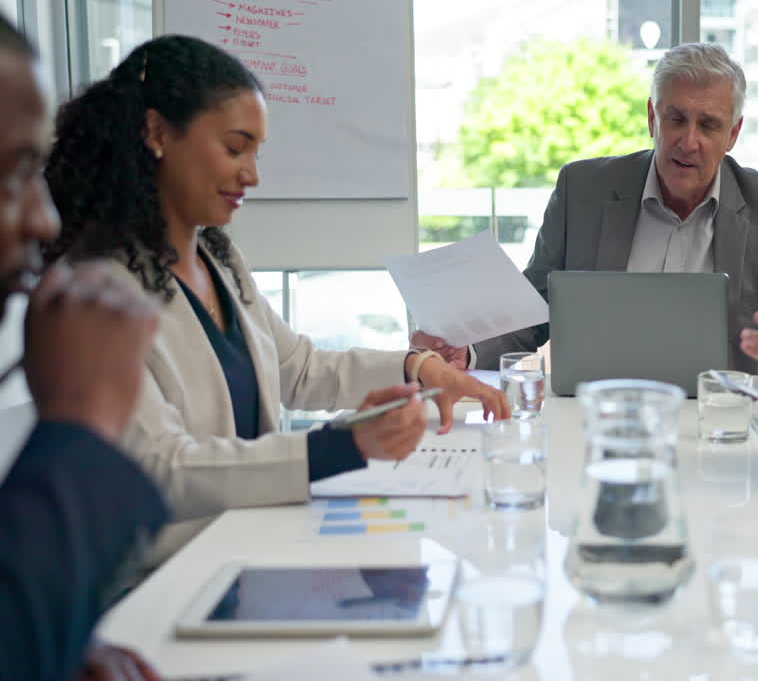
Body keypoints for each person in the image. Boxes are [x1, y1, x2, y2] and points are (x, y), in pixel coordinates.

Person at [42, 35, 510, 563]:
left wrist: (417, 369)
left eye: (256, 153)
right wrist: (340, 447)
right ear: (157, 133)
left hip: (248, 548)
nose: (253, 175)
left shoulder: (218, 262)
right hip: (167, 577)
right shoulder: (98, 292)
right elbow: (162, 468)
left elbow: (299, 368)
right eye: (235, 148)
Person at [418, 42, 758, 391]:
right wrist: (467, 351)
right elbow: (534, 309)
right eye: (676, 119)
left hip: (713, 420)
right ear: (651, 118)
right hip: (594, 412)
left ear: (732, 134)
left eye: (709, 125)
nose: (688, 141)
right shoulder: (582, 190)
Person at [0, 15, 168, 681]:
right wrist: (81, 426)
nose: (43, 219)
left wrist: (56, 646)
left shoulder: (215, 260)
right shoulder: (112, 280)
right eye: (14, 175)